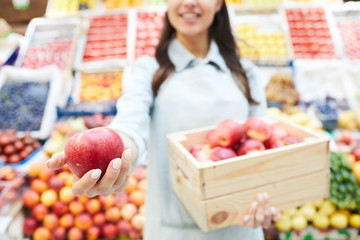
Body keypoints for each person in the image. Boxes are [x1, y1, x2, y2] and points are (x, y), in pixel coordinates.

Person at [46, 0, 282, 239]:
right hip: (174, 228)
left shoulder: (245, 73)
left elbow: (263, 155)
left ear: (219, 3)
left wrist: (268, 199)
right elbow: (131, 125)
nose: (189, 3)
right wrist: (116, 154)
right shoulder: (148, 70)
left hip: (239, 225)